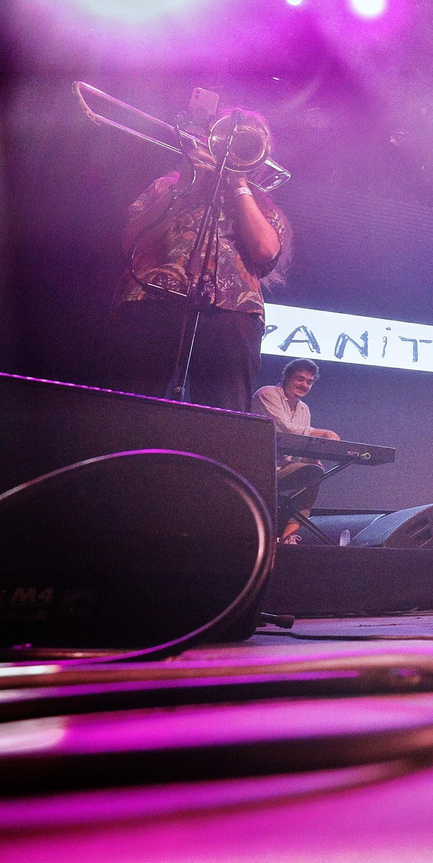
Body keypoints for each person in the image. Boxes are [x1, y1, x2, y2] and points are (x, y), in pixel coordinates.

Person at [107, 109, 289, 412]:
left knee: (224, 417)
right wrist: (183, 184)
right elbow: (133, 243)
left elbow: (265, 251)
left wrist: (238, 182)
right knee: (131, 406)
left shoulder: (264, 207)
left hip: (233, 312)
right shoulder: (167, 186)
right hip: (151, 301)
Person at [252, 358, 340, 544]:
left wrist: (309, 458)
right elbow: (284, 429)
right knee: (312, 472)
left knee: (314, 471)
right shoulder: (267, 394)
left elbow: (298, 445)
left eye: (309, 382)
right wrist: (320, 432)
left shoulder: (303, 409)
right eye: (300, 379)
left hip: (281, 469)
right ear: (287, 377)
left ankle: (288, 537)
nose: (304, 385)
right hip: (256, 468)